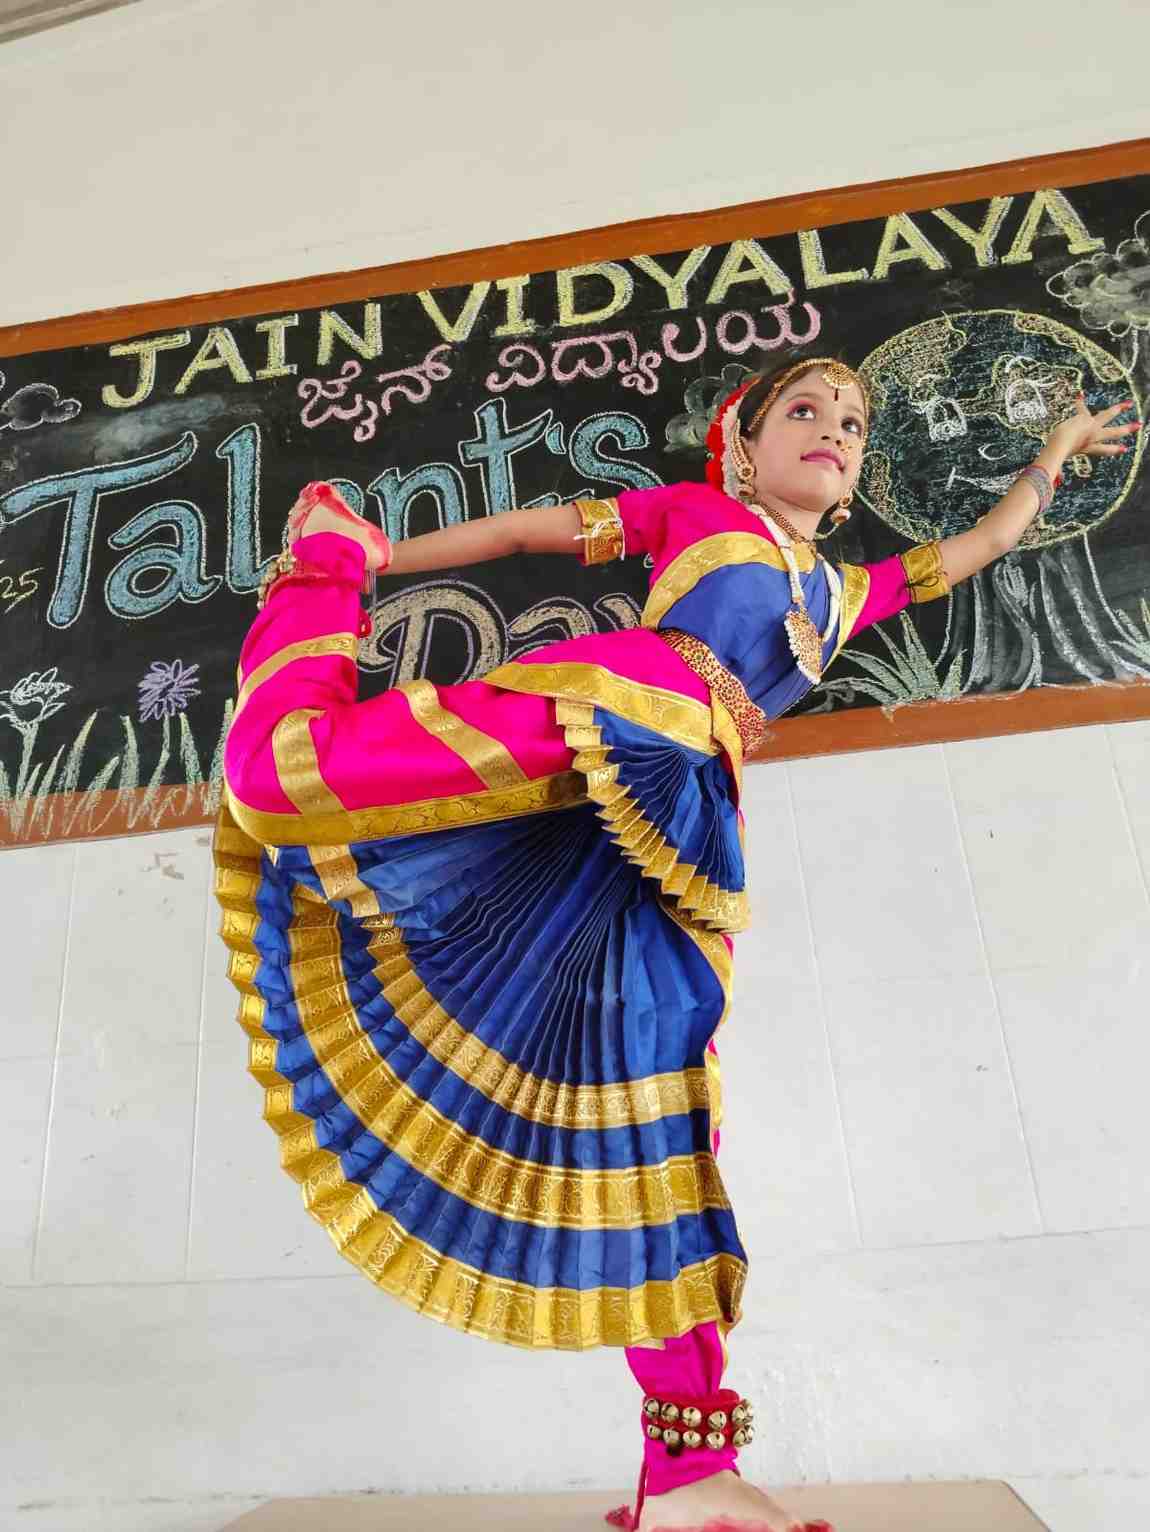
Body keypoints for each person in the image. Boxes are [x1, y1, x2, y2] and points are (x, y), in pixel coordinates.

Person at [213, 354, 1135, 1532]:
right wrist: (377, 555)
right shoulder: (694, 512)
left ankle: (688, 1467)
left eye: (851, 422)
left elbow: (982, 544)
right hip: (612, 705)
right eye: (803, 410)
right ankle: (321, 566)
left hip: (683, 812)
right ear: (741, 446)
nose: (833, 430)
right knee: (278, 778)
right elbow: (521, 535)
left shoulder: (845, 588)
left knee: (660, 1107)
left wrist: (1052, 456)